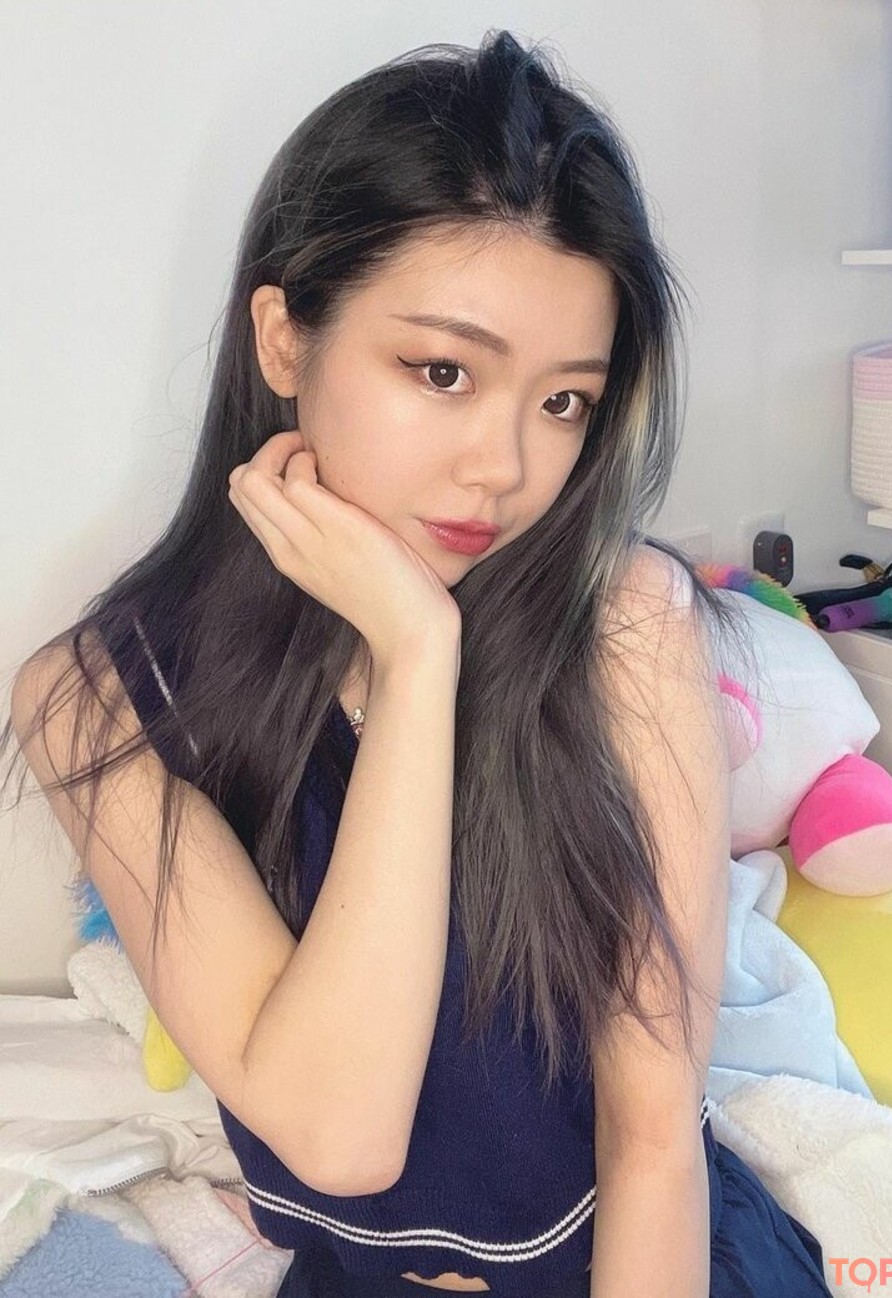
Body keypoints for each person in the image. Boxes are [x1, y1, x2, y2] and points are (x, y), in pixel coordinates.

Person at [4, 30, 832, 1298]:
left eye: (562, 401)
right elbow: (338, 1132)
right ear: (284, 340)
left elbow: (655, 1138)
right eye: (443, 371)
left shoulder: (624, 626)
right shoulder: (98, 700)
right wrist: (414, 655)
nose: (504, 468)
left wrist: (416, 646)